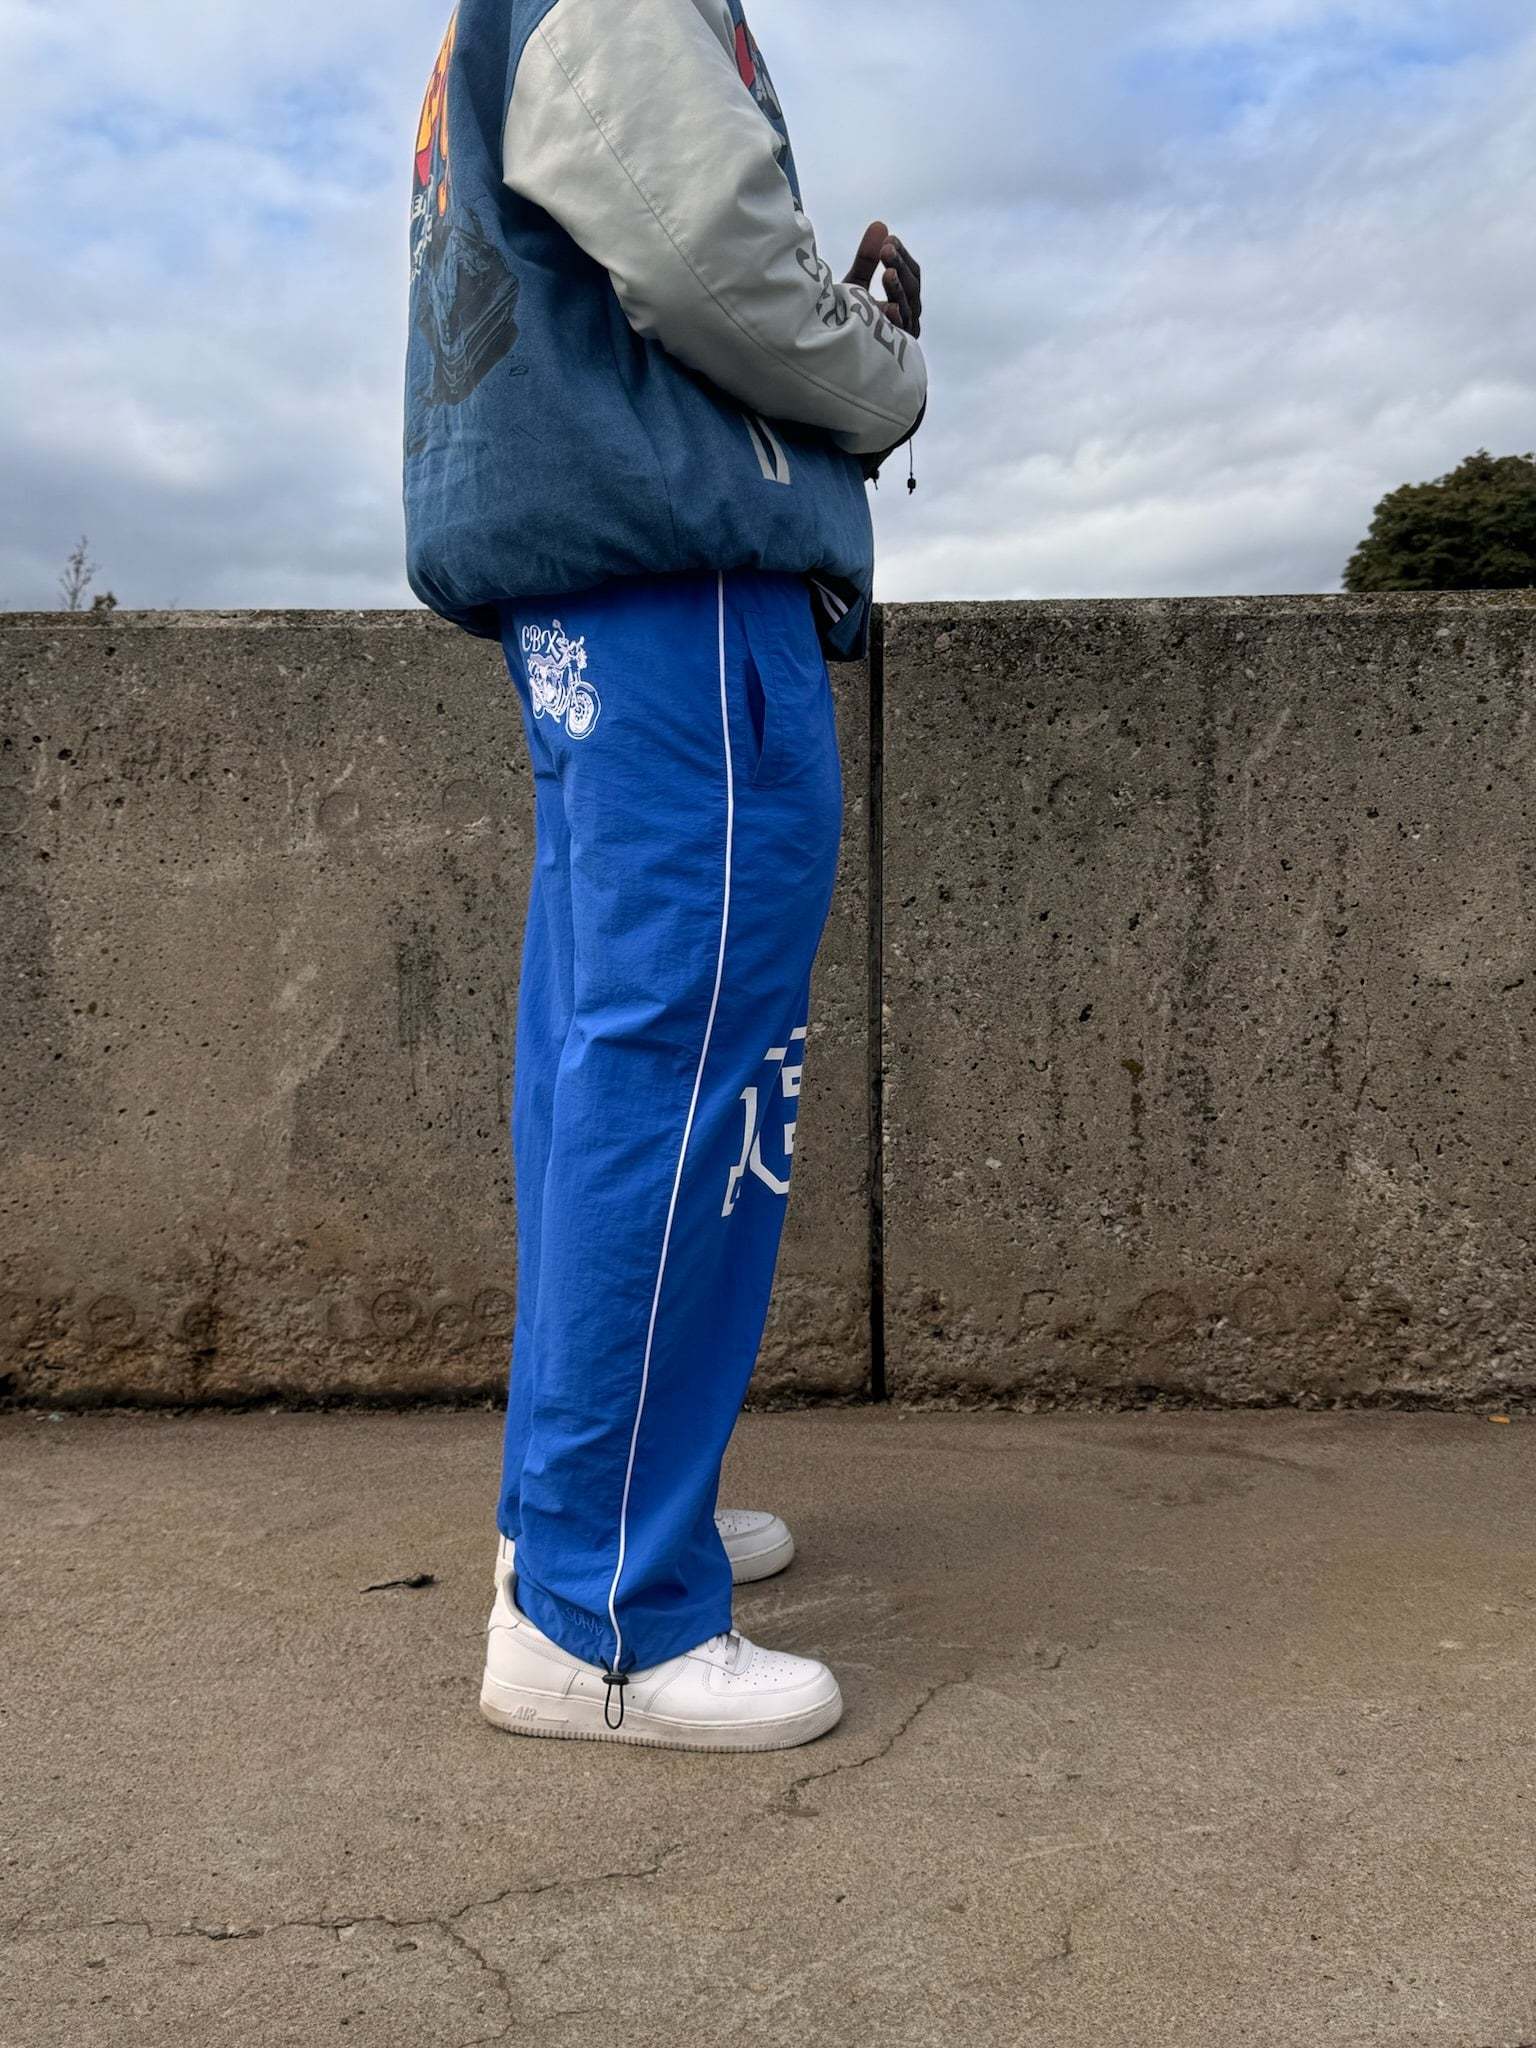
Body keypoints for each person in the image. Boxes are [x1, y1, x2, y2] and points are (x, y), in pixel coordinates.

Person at [403, 0, 927, 1752]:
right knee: (690, 1064)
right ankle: (602, 1612)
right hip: (683, 584)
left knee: (602, 1064)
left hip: (586, 592)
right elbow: (712, 256)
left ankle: (587, 1510)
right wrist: (884, 375)